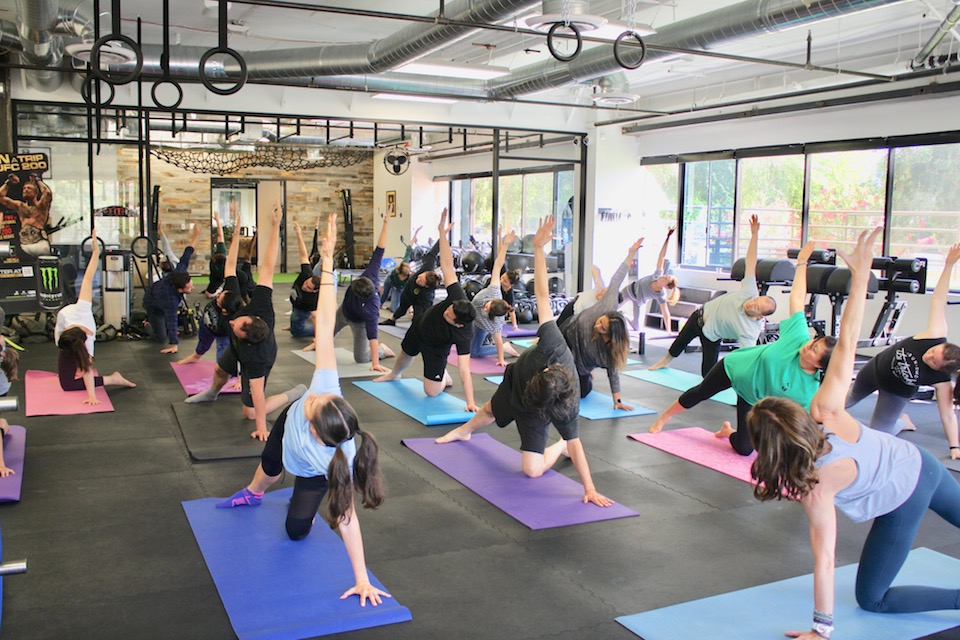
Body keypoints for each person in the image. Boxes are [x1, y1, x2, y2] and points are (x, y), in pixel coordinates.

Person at [745, 229, 960, 637]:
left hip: (905, 497)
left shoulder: (814, 485)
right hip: (924, 465)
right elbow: (845, 343)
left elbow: (825, 558)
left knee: (873, 599)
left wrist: (821, 631)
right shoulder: (825, 411)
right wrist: (859, 278)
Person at [215, 212, 389, 608]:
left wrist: (362, 579)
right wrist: (327, 263)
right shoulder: (327, 391)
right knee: (268, 470)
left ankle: (298, 509)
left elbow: (348, 521)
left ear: (317, 431)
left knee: (296, 531)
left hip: (309, 471)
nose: (312, 396)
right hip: (284, 434)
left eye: (310, 406)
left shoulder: (336, 464)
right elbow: (325, 323)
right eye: (318, 398)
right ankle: (253, 493)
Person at [435, 216, 613, 507]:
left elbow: (577, 444)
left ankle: (557, 448)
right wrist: (539, 249)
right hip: (516, 379)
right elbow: (542, 296)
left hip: (537, 408)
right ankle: (462, 432)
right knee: (490, 410)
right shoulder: (554, 343)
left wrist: (589, 488)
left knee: (533, 470)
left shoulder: (567, 404)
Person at [648, 241, 837, 456]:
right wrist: (802, 262)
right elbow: (797, 298)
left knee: (745, 449)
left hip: (753, 397)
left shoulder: (810, 390)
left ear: (820, 366)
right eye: (814, 342)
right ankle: (665, 416)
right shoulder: (798, 337)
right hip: (735, 368)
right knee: (700, 393)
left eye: (814, 351)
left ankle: (728, 432)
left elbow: (806, 422)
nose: (808, 346)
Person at [185, 201, 306, 441]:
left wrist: (262, 428)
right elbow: (267, 265)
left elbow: (259, 394)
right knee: (220, 368)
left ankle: (294, 393)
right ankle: (212, 392)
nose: (231, 323)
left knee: (250, 412)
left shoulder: (256, 358)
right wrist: (273, 226)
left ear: (246, 337)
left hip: (260, 358)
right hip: (240, 349)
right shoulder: (259, 304)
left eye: (235, 327)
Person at [845, 243, 960, 456]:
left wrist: (955, 447)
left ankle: (902, 422)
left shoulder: (942, 382)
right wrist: (949, 264)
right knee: (845, 402)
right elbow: (938, 299)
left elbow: (948, 415)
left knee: (879, 436)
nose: (929, 355)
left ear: (941, 370)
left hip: (895, 393)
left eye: (933, 361)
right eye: (934, 351)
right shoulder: (935, 333)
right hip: (874, 369)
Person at [374, 208, 479, 411]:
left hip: (436, 347)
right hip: (420, 326)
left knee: (431, 392)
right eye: (449, 309)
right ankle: (394, 374)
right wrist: (441, 233)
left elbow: (465, 369)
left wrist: (471, 402)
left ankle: (443, 377)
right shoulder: (458, 297)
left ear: (458, 323)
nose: (446, 311)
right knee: (405, 353)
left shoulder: (464, 334)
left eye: (449, 315)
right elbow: (447, 266)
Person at [649, 215, 776, 377]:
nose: (752, 303)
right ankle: (664, 361)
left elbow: (746, 358)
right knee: (680, 341)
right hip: (700, 315)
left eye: (756, 307)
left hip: (712, 335)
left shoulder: (750, 331)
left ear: (759, 317)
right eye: (755, 300)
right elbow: (751, 263)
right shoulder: (750, 291)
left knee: (707, 375)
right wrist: (754, 235)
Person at [54, 228, 136, 404]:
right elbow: (87, 279)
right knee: (66, 385)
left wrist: (92, 395)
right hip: (65, 342)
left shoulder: (86, 335)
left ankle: (113, 379)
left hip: (72, 341)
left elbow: (88, 369)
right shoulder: (71, 318)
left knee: (83, 371)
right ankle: (107, 377)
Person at [562, 236, 644, 410]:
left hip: (581, 364)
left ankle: (585, 378)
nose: (597, 326)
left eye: (602, 328)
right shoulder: (606, 306)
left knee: (579, 393)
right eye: (600, 322)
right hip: (567, 334)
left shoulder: (609, 352)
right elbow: (617, 279)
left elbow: (613, 374)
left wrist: (618, 401)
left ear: (610, 336)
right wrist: (630, 254)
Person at [176, 205, 246, 365]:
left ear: (224, 310)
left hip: (218, 329)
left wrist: (242, 377)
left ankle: (227, 373)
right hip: (206, 323)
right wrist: (236, 234)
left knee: (223, 360)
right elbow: (232, 261)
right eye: (221, 294)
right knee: (202, 345)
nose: (220, 296)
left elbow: (244, 349)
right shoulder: (232, 287)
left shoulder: (231, 325)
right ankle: (195, 356)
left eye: (219, 299)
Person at [328, 213, 396, 370]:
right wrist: (385, 223)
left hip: (359, 323)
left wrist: (376, 364)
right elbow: (380, 249)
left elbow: (373, 336)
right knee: (324, 339)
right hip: (343, 313)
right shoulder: (370, 273)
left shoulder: (371, 311)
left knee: (361, 358)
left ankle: (383, 350)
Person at [143, 222, 200, 354]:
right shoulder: (171, 300)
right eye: (189, 288)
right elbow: (172, 319)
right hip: (152, 303)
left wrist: (195, 236)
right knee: (161, 337)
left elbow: (187, 254)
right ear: (180, 290)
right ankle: (146, 324)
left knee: (170, 326)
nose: (193, 288)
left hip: (160, 296)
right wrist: (174, 344)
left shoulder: (179, 273)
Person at [470, 227, 521, 366]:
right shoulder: (494, 290)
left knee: (473, 353)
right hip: (472, 316)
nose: (485, 308)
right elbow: (498, 265)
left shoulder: (496, 323)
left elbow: (498, 339)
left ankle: (506, 347)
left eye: (487, 310)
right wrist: (505, 244)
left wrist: (501, 358)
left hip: (480, 324)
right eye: (487, 306)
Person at [620, 227, 681, 331]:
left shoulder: (660, 295)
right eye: (665, 276)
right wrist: (667, 238)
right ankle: (619, 313)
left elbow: (666, 313)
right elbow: (661, 256)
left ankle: (623, 315)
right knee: (614, 306)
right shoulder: (657, 274)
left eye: (665, 279)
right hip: (629, 290)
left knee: (637, 327)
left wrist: (669, 331)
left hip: (638, 301)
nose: (663, 277)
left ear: (665, 286)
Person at [378, 238, 441, 327]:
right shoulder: (428, 266)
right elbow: (433, 252)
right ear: (425, 273)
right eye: (420, 277)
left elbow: (427, 312)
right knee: (401, 308)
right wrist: (442, 234)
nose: (418, 279)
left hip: (418, 300)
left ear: (426, 286)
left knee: (418, 319)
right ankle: (392, 320)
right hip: (407, 292)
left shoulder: (427, 296)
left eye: (421, 281)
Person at [0, 173, 53, 257]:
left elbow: (48, 193)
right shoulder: (20, 206)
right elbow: (1, 197)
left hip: (39, 243)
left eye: (29, 188)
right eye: (24, 188)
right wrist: (8, 183)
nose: (26, 190)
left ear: (36, 193)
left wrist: (37, 180)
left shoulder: (41, 206)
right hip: (24, 245)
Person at [289, 221, 321, 339]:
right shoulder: (307, 273)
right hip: (295, 301)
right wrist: (299, 234)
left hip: (301, 309)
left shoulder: (313, 300)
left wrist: (318, 339)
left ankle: (327, 330)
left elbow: (315, 316)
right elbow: (303, 255)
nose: (304, 286)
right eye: (306, 283)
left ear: (314, 291)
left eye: (308, 288)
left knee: (296, 332)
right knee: (294, 319)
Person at [203, 208, 229, 298]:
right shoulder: (221, 250)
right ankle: (218, 290)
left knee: (208, 294)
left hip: (220, 278)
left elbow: (220, 235)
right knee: (208, 294)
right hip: (215, 278)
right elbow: (220, 235)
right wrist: (217, 221)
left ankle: (219, 290)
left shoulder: (220, 268)